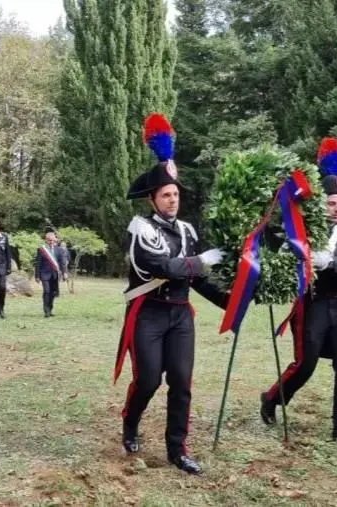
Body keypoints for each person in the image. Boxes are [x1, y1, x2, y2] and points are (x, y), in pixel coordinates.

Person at [113, 113, 228, 475]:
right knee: (148, 379)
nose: (172, 200)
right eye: (166, 195)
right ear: (153, 198)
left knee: (181, 380)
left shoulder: (188, 231)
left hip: (180, 315)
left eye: (175, 194)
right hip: (148, 312)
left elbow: (195, 279)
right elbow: (159, 267)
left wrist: (231, 300)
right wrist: (200, 261)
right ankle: (131, 423)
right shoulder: (141, 229)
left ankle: (177, 448)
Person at [259, 138, 337, 447]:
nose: (335, 209)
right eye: (330, 203)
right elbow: (274, 240)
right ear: (321, 204)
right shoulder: (302, 229)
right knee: (304, 365)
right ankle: (271, 398)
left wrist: (331, 261)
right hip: (311, 304)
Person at [34, 228, 69, 318]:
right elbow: (38, 263)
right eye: (49, 240)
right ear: (46, 240)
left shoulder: (59, 250)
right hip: (44, 274)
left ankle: (50, 309)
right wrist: (37, 276)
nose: (51, 242)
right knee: (46, 291)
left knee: (53, 292)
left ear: (55, 240)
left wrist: (65, 273)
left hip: (54, 274)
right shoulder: (42, 250)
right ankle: (46, 311)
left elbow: (62, 263)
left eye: (52, 240)